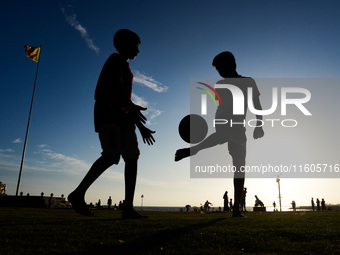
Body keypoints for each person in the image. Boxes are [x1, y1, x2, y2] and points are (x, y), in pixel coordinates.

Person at [68, 29, 155, 219]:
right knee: (111, 155)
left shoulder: (126, 66)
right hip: (109, 117)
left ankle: (128, 208)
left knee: (132, 157)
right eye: (136, 46)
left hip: (124, 119)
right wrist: (130, 108)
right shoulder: (115, 60)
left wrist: (140, 127)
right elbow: (109, 93)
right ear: (124, 45)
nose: (138, 51)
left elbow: (126, 101)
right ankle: (77, 194)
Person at [175, 51, 264, 217]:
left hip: (236, 127)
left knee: (239, 167)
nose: (220, 72)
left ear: (232, 65)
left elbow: (256, 104)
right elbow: (222, 107)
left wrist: (259, 124)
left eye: (221, 68)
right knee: (238, 165)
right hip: (230, 124)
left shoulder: (248, 82)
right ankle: (236, 210)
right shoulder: (221, 84)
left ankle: (236, 209)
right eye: (217, 70)